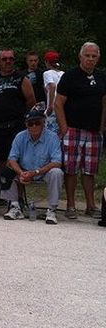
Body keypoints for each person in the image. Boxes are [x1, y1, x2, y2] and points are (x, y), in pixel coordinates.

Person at [54, 42, 106, 219]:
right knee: (70, 169)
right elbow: (58, 104)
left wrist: (101, 127)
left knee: (89, 171)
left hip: (94, 132)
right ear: (80, 56)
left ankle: (91, 206)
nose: (90, 59)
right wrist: (64, 129)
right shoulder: (70, 76)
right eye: (87, 55)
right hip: (73, 129)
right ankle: (70, 205)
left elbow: (105, 103)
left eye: (94, 56)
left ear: (98, 58)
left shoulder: (102, 77)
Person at [1, 105, 63, 225]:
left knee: (57, 172)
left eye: (37, 123)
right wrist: (21, 173)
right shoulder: (20, 137)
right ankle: (14, 206)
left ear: (43, 123)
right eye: (30, 123)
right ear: (26, 125)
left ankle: (51, 210)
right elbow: (12, 159)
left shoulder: (53, 137)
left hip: (43, 172)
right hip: (24, 171)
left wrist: (36, 172)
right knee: (6, 169)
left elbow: (57, 162)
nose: (34, 126)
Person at [0, 49, 36, 162]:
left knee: (16, 158)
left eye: (11, 59)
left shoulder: (22, 78)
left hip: (16, 127)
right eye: (4, 59)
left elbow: (31, 101)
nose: (8, 61)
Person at [43, 51, 64, 135]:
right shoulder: (63, 73)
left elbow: (52, 86)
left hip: (53, 108)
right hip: (62, 107)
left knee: (50, 134)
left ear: (47, 62)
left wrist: (50, 106)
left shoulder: (47, 73)